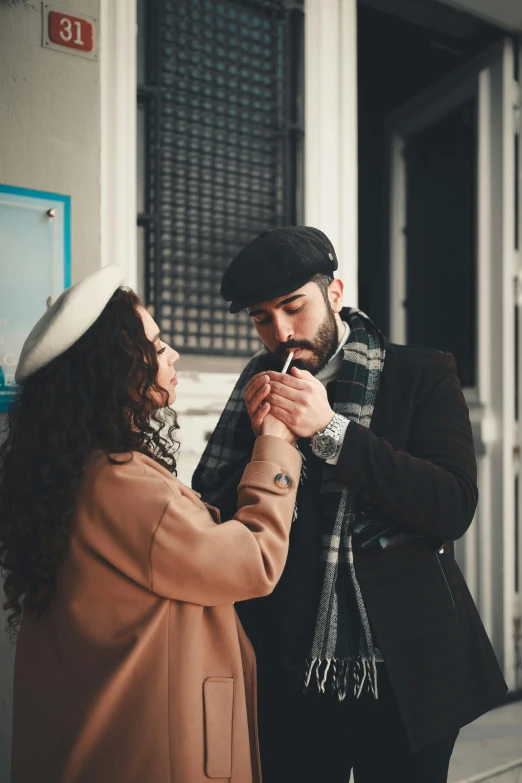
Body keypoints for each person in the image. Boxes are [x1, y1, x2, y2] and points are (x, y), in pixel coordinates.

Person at [193, 226, 508, 783]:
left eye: (293, 307)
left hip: (408, 665)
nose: (281, 332)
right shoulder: (256, 387)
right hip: (292, 666)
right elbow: (214, 518)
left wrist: (332, 431)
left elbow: (451, 505)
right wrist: (264, 438)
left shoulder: (422, 372)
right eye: (262, 318)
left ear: (334, 293)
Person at [0, 265, 301, 783]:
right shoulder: (125, 485)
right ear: (114, 369)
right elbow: (255, 561)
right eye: (158, 347)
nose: (173, 355)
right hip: (158, 753)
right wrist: (275, 442)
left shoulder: (71, 468)